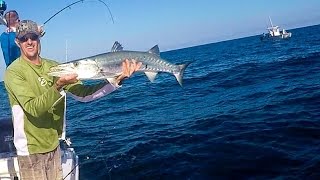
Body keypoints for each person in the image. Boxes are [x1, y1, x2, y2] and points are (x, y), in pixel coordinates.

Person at [4, 19, 141, 179]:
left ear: (39, 38)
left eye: (33, 37)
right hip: (31, 150)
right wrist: (58, 86)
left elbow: (84, 94)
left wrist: (117, 80)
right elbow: (33, 108)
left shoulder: (53, 66)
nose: (29, 42)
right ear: (17, 42)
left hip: (54, 145)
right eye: (23, 38)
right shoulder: (14, 72)